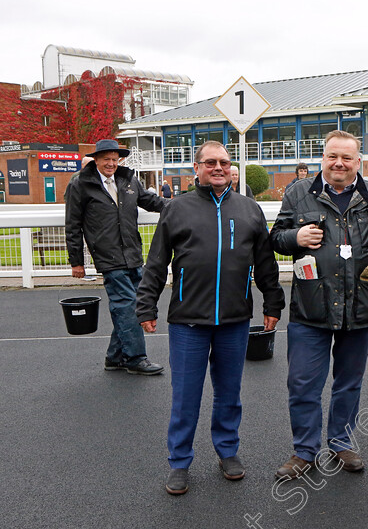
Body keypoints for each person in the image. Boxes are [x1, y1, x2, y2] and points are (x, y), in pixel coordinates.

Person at [136, 140, 285, 495]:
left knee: (229, 394)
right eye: (210, 163)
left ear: (231, 168)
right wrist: (146, 306)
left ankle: (228, 451)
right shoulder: (176, 209)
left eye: (224, 162)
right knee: (185, 397)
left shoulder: (249, 210)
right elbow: (157, 263)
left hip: (234, 321)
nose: (218, 168)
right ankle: (179, 462)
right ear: (197, 168)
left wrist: (273, 305)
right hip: (189, 322)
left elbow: (265, 265)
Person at [270, 130, 368, 479]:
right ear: (323, 158)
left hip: (361, 308)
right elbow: (276, 239)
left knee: (349, 382)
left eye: (346, 158)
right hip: (310, 308)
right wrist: (294, 237)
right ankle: (305, 451)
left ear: (359, 162)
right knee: (302, 384)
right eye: (332, 157)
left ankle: (341, 442)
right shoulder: (298, 193)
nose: (339, 163)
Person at [64, 139, 166, 375]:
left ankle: (115, 357)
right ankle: (135, 358)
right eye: (106, 159)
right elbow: (73, 224)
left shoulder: (127, 179)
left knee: (128, 306)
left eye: (114, 159)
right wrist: (76, 261)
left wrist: (181, 205)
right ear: (96, 160)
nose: (111, 164)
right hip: (108, 256)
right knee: (128, 305)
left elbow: (150, 201)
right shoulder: (80, 184)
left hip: (132, 252)